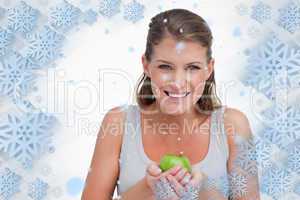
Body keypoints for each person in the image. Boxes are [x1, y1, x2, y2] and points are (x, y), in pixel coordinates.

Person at [81, 8, 260, 200]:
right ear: (146, 65)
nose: (177, 82)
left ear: (209, 69)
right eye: (165, 66)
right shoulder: (118, 123)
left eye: (192, 67)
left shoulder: (233, 126)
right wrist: (146, 189)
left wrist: (203, 192)